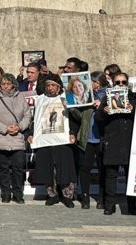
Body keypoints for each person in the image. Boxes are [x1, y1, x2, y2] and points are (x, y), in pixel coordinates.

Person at [29, 74, 78, 208]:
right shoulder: (39, 100)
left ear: (58, 87)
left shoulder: (66, 98)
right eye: (48, 85)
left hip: (62, 139)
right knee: (47, 168)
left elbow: (74, 118)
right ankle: (52, 195)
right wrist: (31, 134)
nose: (50, 88)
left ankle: (67, 196)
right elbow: (34, 119)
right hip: (45, 139)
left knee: (65, 168)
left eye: (53, 85)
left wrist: (72, 133)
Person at [94, 70, 136, 216]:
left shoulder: (135, 98)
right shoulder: (107, 99)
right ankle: (109, 205)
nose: (120, 85)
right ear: (113, 84)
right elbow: (98, 120)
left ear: (128, 84)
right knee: (111, 175)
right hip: (112, 140)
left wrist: (133, 109)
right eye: (117, 82)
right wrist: (104, 112)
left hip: (129, 141)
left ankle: (132, 206)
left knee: (130, 176)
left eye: (123, 82)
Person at [0, 73, 31, 204]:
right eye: (3, 83)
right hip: (2, 137)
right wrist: (4, 128)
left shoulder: (20, 96)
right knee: (3, 168)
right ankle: (5, 194)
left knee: (18, 168)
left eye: (8, 83)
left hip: (17, 137)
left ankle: (18, 194)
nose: (5, 86)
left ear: (13, 84)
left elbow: (27, 115)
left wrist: (20, 127)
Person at [77, 71, 107, 209]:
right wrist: (72, 107)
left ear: (98, 82)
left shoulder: (109, 94)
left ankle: (101, 197)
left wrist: (101, 105)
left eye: (92, 82)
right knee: (85, 168)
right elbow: (79, 116)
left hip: (101, 137)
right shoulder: (86, 95)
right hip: (88, 137)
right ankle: (85, 196)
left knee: (103, 169)